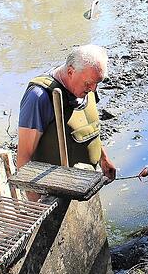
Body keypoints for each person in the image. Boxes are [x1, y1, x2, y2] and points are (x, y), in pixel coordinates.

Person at [17, 45, 116, 200]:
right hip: (55, 194)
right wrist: (36, 207)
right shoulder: (39, 98)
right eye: (89, 83)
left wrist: (103, 158)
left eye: (98, 82)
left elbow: (88, 125)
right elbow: (24, 157)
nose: (93, 88)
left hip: (86, 184)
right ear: (70, 72)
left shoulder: (87, 85)